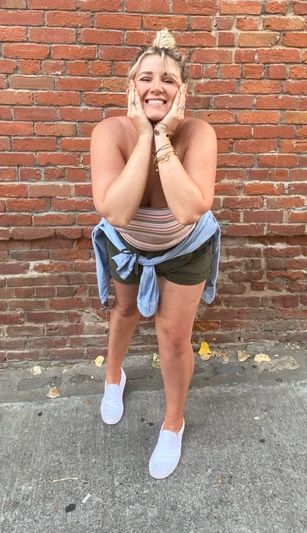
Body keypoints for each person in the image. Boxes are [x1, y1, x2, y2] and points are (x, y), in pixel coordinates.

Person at [90, 30, 220, 479]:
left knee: (173, 337)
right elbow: (117, 212)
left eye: (169, 79)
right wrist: (143, 136)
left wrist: (163, 136)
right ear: (131, 87)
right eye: (146, 78)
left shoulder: (199, 133)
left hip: (186, 247)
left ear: (183, 92)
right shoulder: (109, 132)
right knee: (124, 310)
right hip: (127, 243)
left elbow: (188, 210)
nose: (156, 87)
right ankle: (114, 377)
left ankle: (173, 423)